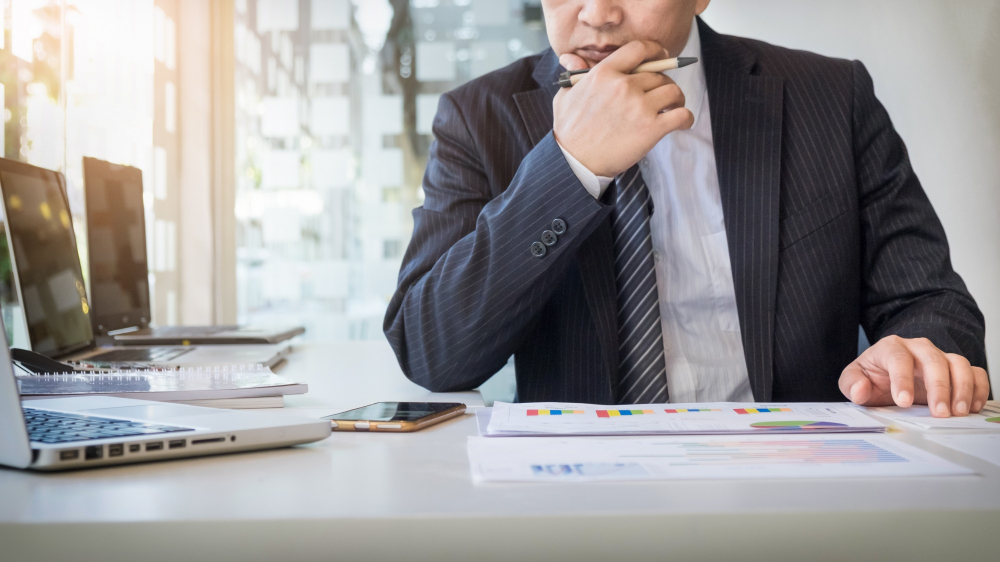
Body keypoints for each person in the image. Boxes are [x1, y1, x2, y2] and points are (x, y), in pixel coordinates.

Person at [384, 0, 990, 416]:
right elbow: (431, 351)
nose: (596, 14)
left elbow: (932, 304)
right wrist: (570, 166)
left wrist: (915, 356)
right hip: (579, 505)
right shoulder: (478, 118)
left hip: (796, 491)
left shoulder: (832, 98)